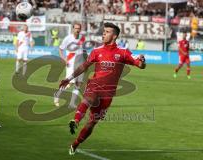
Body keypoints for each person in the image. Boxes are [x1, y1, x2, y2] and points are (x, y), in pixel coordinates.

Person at [59, 22, 146, 155]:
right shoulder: (96, 51)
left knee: (91, 123)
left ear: (115, 36)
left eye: (107, 31)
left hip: (108, 94)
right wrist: (69, 78)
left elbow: (139, 64)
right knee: (90, 97)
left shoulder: (123, 52)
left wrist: (142, 61)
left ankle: (75, 143)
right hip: (94, 85)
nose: (103, 33)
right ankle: (75, 120)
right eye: (103, 31)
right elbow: (84, 66)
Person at [54, 22, 87, 108]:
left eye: (79, 28)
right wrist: (64, 59)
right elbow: (60, 49)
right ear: (73, 29)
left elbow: (82, 51)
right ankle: (57, 95)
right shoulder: (68, 38)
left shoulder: (82, 38)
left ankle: (72, 103)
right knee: (68, 82)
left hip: (80, 63)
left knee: (78, 83)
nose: (77, 30)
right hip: (71, 63)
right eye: (76, 28)